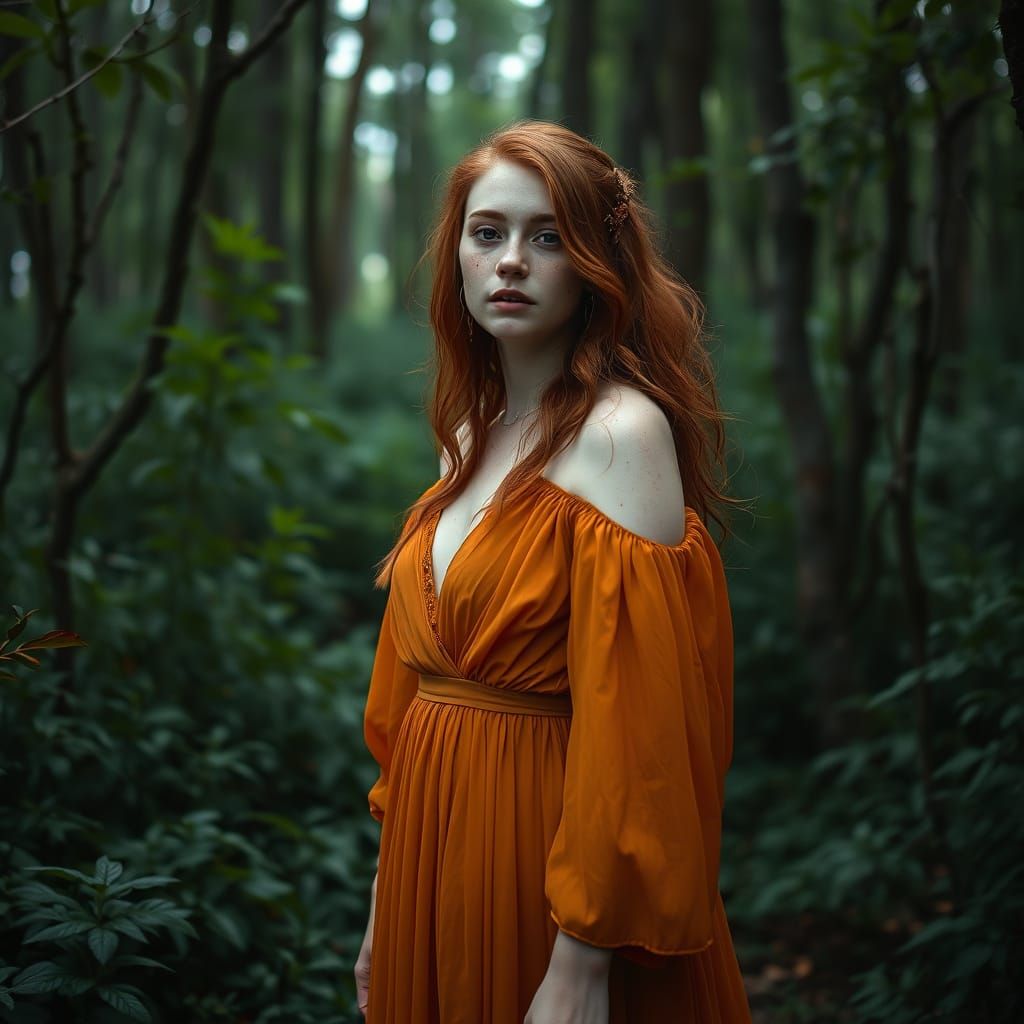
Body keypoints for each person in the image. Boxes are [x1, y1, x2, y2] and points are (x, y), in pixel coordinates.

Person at [355, 120, 752, 1024]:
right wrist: (386, 901)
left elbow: (644, 729)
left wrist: (580, 962)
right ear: (456, 252)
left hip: (551, 861)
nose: (511, 262)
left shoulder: (620, 435)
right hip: (432, 849)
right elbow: (411, 697)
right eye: (488, 232)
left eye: (549, 238)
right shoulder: (468, 434)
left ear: (594, 263)